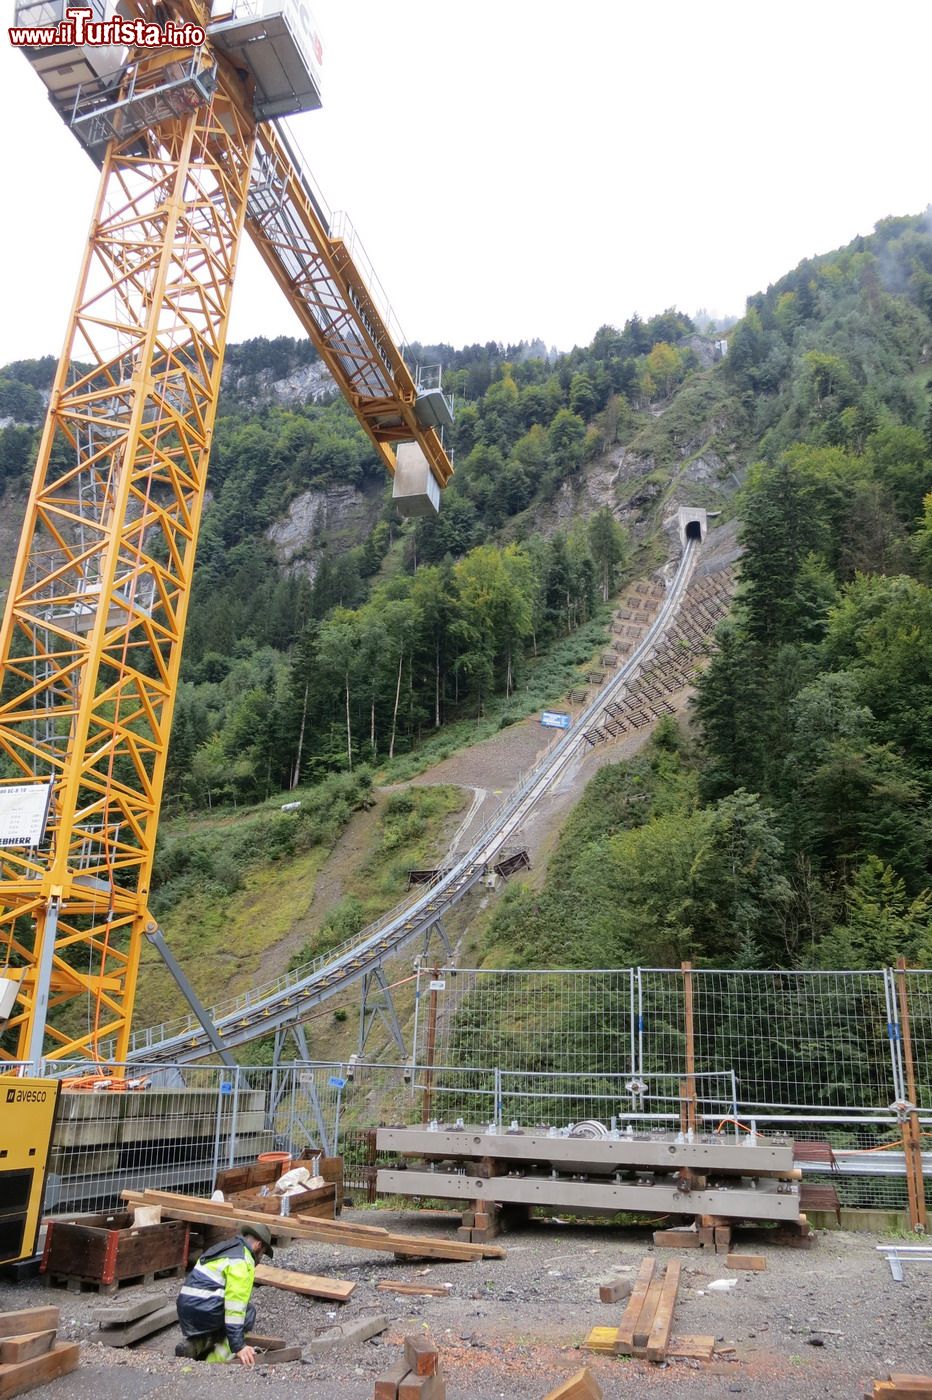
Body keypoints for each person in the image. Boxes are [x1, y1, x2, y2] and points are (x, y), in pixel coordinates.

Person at [175, 1221, 274, 1365]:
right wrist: (239, 1345)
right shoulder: (243, 1261)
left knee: (222, 1322)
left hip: (187, 1307)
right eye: (263, 1253)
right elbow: (235, 1305)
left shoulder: (227, 1248)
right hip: (204, 1307)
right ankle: (214, 1362)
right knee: (248, 1312)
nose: (261, 1257)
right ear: (258, 1245)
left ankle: (196, 1346)